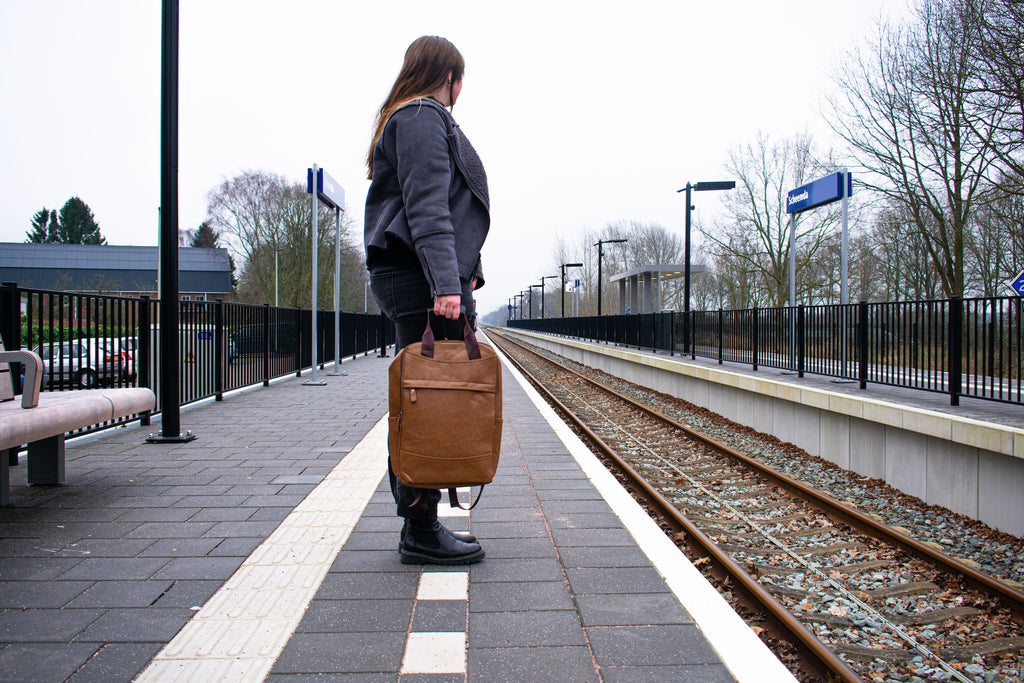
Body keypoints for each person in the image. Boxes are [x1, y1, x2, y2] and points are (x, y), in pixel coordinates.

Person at [364, 36, 490, 566]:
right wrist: (444, 284)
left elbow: (447, 208)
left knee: (423, 396)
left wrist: (467, 273)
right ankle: (418, 527)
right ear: (451, 77)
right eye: (462, 81)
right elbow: (427, 206)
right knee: (421, 400)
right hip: (419, 278)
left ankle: (421, 520)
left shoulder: (415, 116)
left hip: (423, 274)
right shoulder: (421, 116)